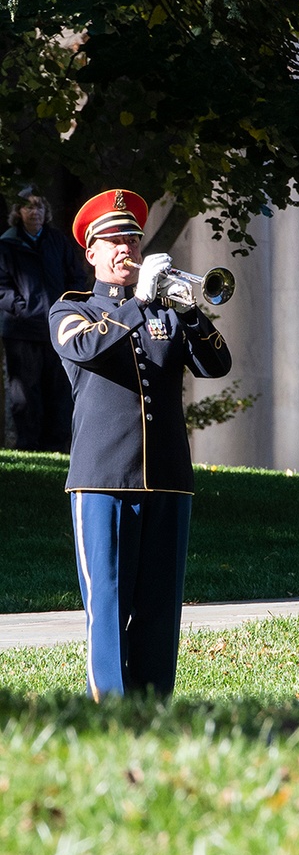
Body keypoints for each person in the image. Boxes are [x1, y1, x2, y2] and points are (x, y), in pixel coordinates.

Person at [49, 188, 232, 699]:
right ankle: (111, 707)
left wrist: (191, 312)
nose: (125, 247)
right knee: (107, 602)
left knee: (159, 604)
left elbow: (217, 365)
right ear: (91, 253)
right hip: (102, 476)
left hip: (169, 478)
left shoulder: (166, 314)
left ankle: (153, 705)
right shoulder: (72, 311)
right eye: (113, 240)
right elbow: (86, 347)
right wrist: (140, 306)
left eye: (131, 237)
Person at [0, 185, 88, 451]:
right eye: (28, 206)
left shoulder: (57, 241)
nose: (34, 211)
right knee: (25, 395)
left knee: (60, 391)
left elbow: (77, 277)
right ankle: (28, 446)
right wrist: (22, 309)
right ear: (18, 212)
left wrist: (71, 308)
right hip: (22, 331)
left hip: (59, 328)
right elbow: (1, 287)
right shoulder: (6, 245)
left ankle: (58, 447)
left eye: (39, 206)